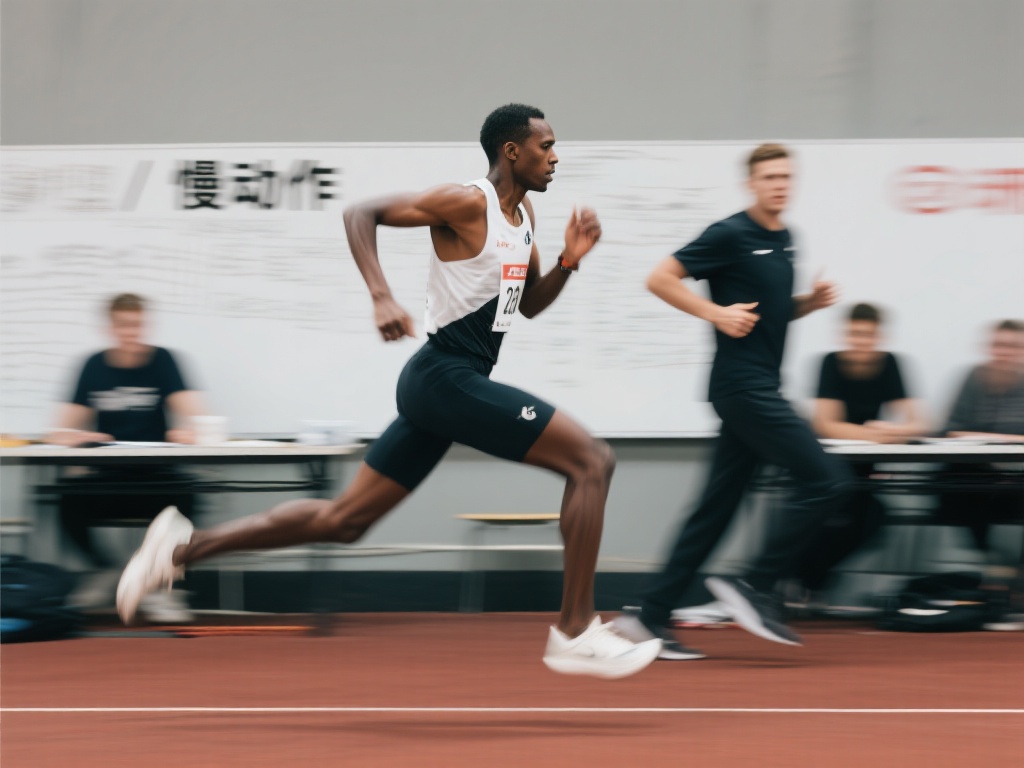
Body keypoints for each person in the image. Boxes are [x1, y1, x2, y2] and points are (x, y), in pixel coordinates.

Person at [115, 104, 661, 679]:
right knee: (592, 462)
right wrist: (380, 294)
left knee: (343, 522)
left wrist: (571, 260)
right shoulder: (466, 201)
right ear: (512, 152)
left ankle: (180, 548)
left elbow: (527, 305)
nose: (555, 157)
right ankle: (575, 630)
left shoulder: (522, 214)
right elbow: (361, 213)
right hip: (444, 378)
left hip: (448, 390)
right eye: (546, 146)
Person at [614, 143, 853, 655]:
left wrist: (806, 304)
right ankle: (755, 585)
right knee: (828, 481)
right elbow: (659, 278)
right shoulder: (729, 233)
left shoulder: (786, 238)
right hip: (741, 387)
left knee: (714, 511)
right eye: (769, 177)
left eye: (786, 176)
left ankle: (649, 616)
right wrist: (715, 314)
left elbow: (769, 313)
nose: (779, 184)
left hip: (760, 386)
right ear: (751, 184)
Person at [47, 293, 206, 622]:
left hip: (157, 478)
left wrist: (189, 431)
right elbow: (59, 432)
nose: (131, 332)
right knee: (66, 497)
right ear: (110, 327)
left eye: (137, 325)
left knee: (189, 496)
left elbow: (199, 418)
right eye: (123, 325)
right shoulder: (94, 366)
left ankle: (161, 586)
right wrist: (81, 436)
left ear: (145, 325)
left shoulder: (163, 361)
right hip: (109, 478)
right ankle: (105, 570)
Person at [791, 302, 929, 601]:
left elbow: (919, 422)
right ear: (845, 333)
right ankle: (803, 580)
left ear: (878, 336)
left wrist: (897, 431)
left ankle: (810, 581)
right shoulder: (831, 362)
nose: (861, 341)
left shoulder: (888, 363)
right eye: (855, 334)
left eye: (867, 335)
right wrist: (877, 436)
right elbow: (826, 424)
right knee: (830, 511)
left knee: (873, 517)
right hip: (827, 468)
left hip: (863, 470)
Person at [935, 319, 1024, 559]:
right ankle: (992, 562)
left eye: (1012, 346)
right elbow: (950, 430)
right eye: (998, 345)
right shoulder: (974, 377)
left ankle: (1005, 568)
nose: (1003, 352)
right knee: (957, 480)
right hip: (978, 473)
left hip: (1017, 473)